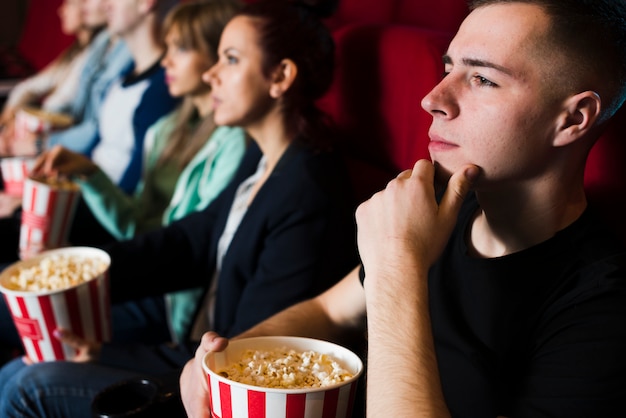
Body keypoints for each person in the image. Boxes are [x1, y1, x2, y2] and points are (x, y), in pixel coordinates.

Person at [179, 0, 626, 417]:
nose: (432, 99)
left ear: (572, 119)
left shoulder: (602, 306)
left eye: (483, 79)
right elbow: (329, 311)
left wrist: (397, 266)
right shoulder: (437, 212)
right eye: (447, 69)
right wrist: (227, 359)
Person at [0, 0, 357, 416]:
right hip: (197, 350)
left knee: (27, 385)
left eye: (231, 59)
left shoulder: (308, 190)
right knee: (15, 370)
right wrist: (74, 275)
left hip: (211, 386)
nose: (211, 74)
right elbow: (189, 241)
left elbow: (244, 354)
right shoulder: (262, 157)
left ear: (280, 76)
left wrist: (108, 353)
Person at [31, 0, 247, 344]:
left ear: (215, 59)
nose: (166, 61)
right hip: (144, 268)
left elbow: (189, 248)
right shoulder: (166, 129)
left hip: (173, 300)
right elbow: (135, 224)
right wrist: (88, 173)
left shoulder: (233, 143)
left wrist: (81, 273)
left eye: (181, 48)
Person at [0, 0, 103, 145]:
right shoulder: (74, 51)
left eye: (69, 4)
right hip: (42, 130)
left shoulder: (95, 53)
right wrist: (8, 119)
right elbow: (28, 87)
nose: (61, 11)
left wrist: (20, 130)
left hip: (54, 137)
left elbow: (61, 106)